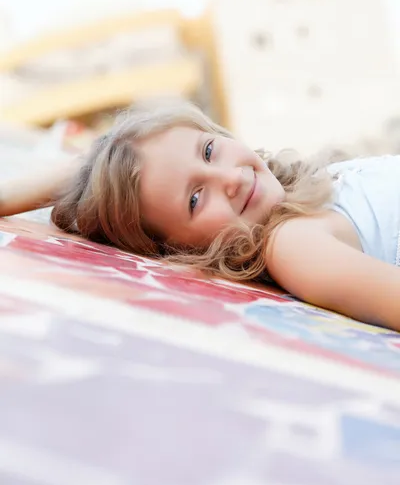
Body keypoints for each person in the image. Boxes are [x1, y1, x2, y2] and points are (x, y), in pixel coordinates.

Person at [1, 98, 400, 331]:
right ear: (181, 247)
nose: (228, 178)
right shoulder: (291, 244)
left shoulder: (298, 193)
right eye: (194, 199)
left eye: (209, 150)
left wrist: (95, 166)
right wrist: (95, 178)